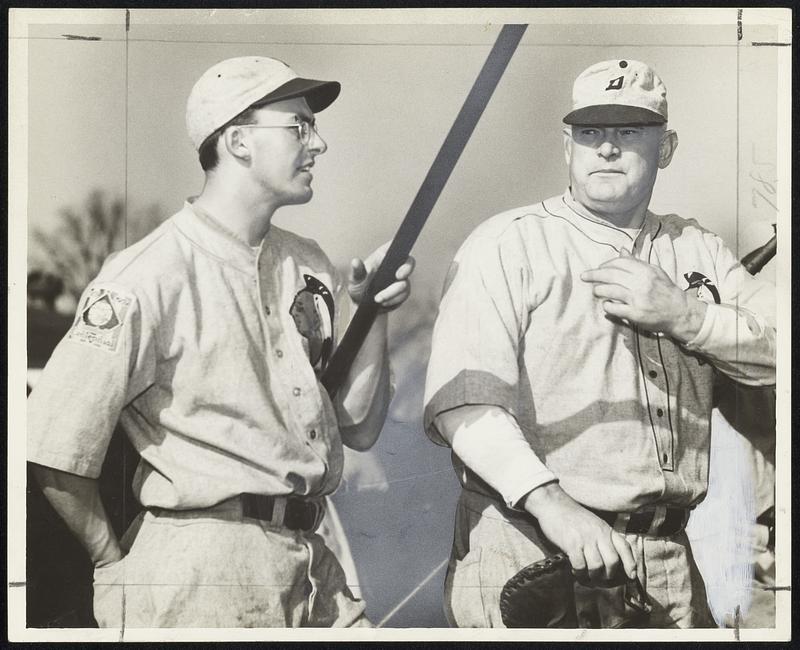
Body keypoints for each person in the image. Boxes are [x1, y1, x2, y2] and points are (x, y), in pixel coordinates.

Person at [27, 56, 415, 628]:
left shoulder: (307, 264)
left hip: (312, 566)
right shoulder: (143, 275)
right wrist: (112, 564)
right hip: (199, 573)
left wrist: (373, 310)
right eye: (299, 127)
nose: (319, 145)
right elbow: (53, 446)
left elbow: (356, 426)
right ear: (237, 141)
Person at [423, 59, 775, 628]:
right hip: (535, 545)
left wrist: (686, 316)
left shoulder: (700, 249)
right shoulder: (508, 243)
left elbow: (780, 353)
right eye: (591, 132)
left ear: (667, 147)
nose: (606, 148)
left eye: (629, 131)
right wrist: (551, 504)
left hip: (666, 557)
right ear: (567, 145)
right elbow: (464, 405)